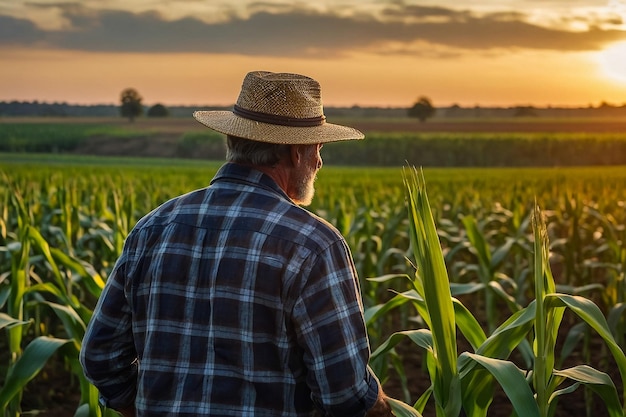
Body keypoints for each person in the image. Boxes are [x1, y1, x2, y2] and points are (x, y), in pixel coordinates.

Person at [80, 71, 395, 417]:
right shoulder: (313, 244)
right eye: (317, 148)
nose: (319, 161)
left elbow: (100, 356)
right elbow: (345, 394)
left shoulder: (152, 229)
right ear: (296, 153)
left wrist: (142, 407)